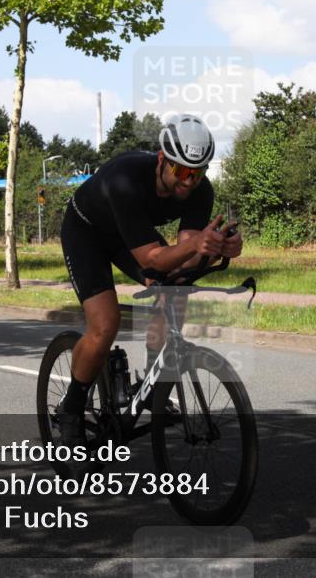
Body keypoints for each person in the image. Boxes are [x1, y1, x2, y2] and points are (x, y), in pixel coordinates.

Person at [58, 114, 243, 447]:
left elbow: (189, 257)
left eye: (198, 172)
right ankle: (71, 406)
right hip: (87, 233)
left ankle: (152, 382)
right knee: (105, 325)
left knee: (177, 286)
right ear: (162, 160)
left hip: (127, 235)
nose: (190, 181)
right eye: (183, 171)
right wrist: (197, 244)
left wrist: (219, 249)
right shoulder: (126, 180)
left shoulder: (200, 191)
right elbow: (152, 259)